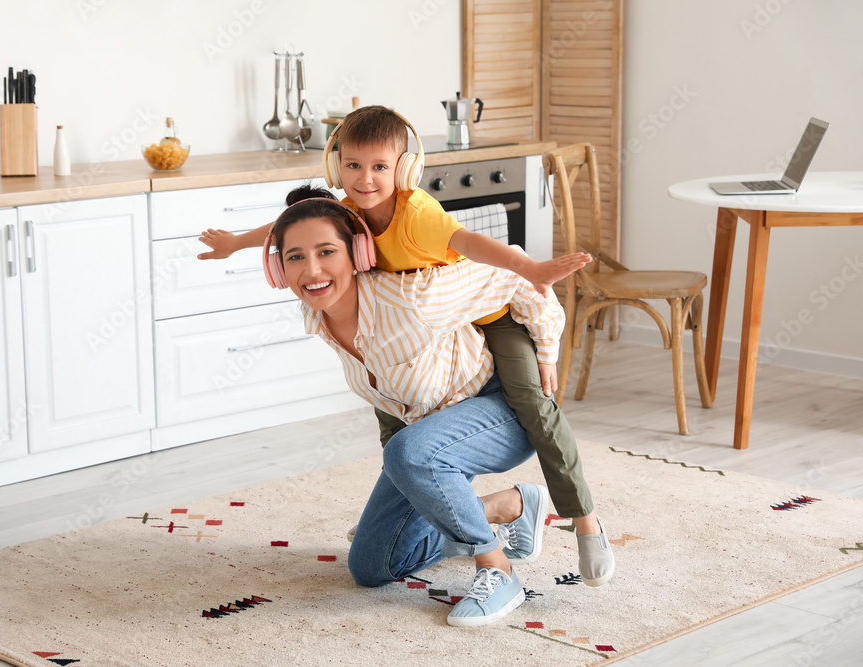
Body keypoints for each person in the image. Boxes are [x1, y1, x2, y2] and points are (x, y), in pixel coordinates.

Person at [199, 106, 613, 588]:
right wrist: (235, 243)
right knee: (372, 562)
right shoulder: (342, 238)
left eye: (379, 167)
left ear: (404, 169)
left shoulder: (417, 238)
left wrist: (545, 344)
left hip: (495, 339)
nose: (365, 178)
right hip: (424, 390)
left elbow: (496, 264)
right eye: (353, 166)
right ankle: (494, 509)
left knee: (518, 412)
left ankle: (558, 536)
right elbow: (289, 227)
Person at [266, 186, 584, 626]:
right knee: (372, 567)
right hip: (432, 436)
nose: (312, 269)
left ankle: (498, 569)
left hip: (500, 410)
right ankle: (509, 507)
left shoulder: (410, 298)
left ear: (357, 253)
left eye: (326, 251)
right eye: (295, 257)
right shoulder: (316, 317)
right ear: (277, 267)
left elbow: (512, 274)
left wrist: (546, 353)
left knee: (407, 454)